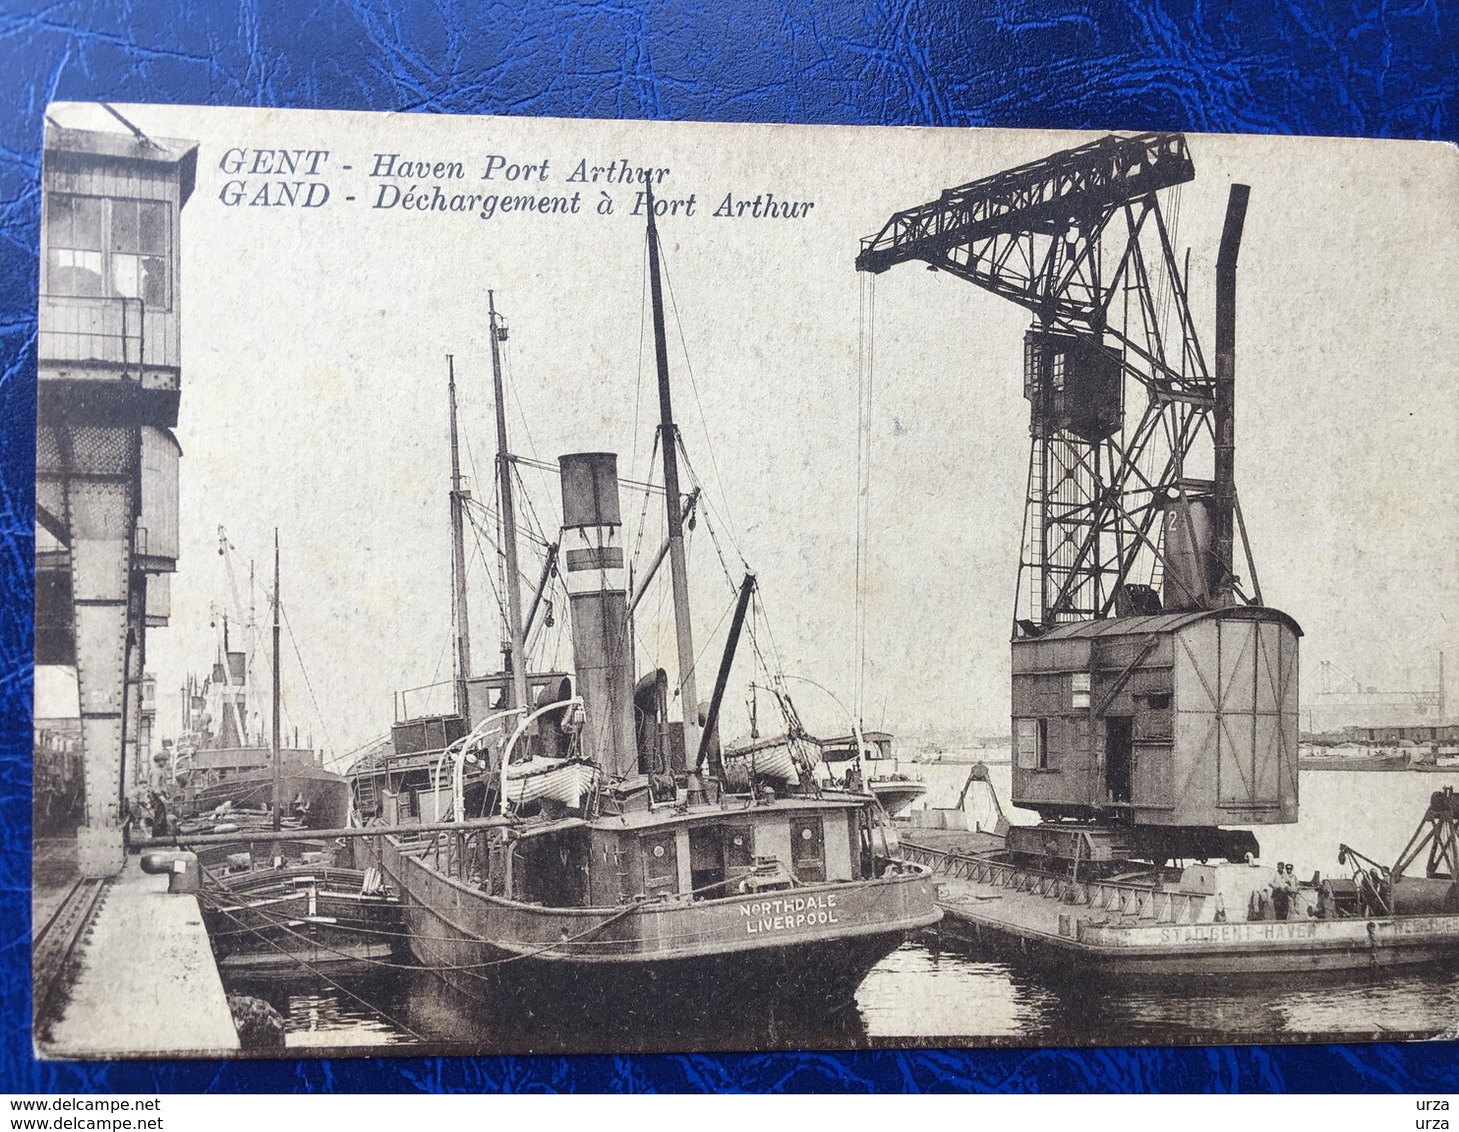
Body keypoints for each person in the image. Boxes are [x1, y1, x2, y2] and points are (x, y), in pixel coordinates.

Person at [146, 751, 171, 837]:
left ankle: (162, 835)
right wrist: (161, 797)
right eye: (164, 760)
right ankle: (158, 836)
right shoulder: (156, 771)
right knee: (159, 816)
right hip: (157, 797)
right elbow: (155, 786)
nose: (165, 762)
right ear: (159, 761)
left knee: (161, 815)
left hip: (159, 796)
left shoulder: (156, 770)